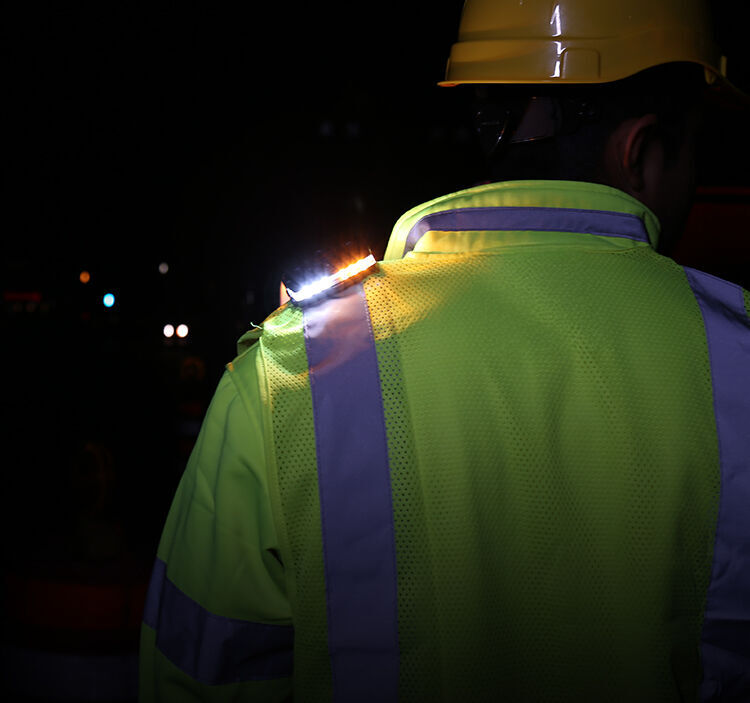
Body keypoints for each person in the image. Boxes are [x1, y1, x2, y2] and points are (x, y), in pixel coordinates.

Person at [139, 0, 750, 700]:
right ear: (640, 151)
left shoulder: (292, 372)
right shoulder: (740, 357)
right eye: (697, 146)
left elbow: (197, 677)